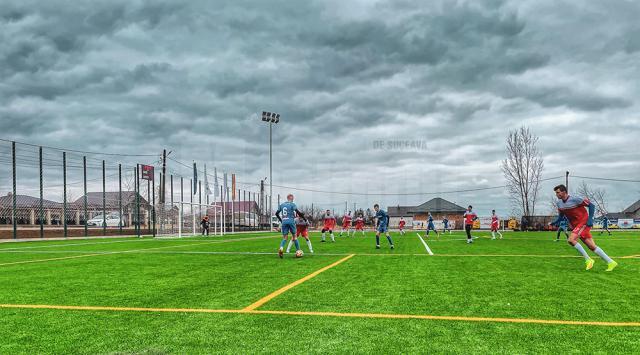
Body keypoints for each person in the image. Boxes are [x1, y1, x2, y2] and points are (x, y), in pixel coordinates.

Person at [549, 184, 617, 271]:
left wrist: (590, 220)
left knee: (571, 240)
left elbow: (591, 206)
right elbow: (561, 216)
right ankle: (611, 262)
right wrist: (554, 222)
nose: (556, 194)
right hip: (576, 225)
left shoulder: (575, 199)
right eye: (556, 193)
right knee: (591, 246)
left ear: (564, 192)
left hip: (583, 222)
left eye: (558, 192)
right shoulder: (559, 204)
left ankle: (588, 260)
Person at [275, 194, 307, 258]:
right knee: (295, 237)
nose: (293, 199)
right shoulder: (292, 204)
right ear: (291, 198)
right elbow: (298, 212)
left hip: (284, 221)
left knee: (285, 238)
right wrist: (304, 218)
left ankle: (281, 248)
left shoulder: (282, 205)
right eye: (293, 198)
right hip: (291, 221)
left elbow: (276, 213)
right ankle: (298, 251)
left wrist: (281, 220)